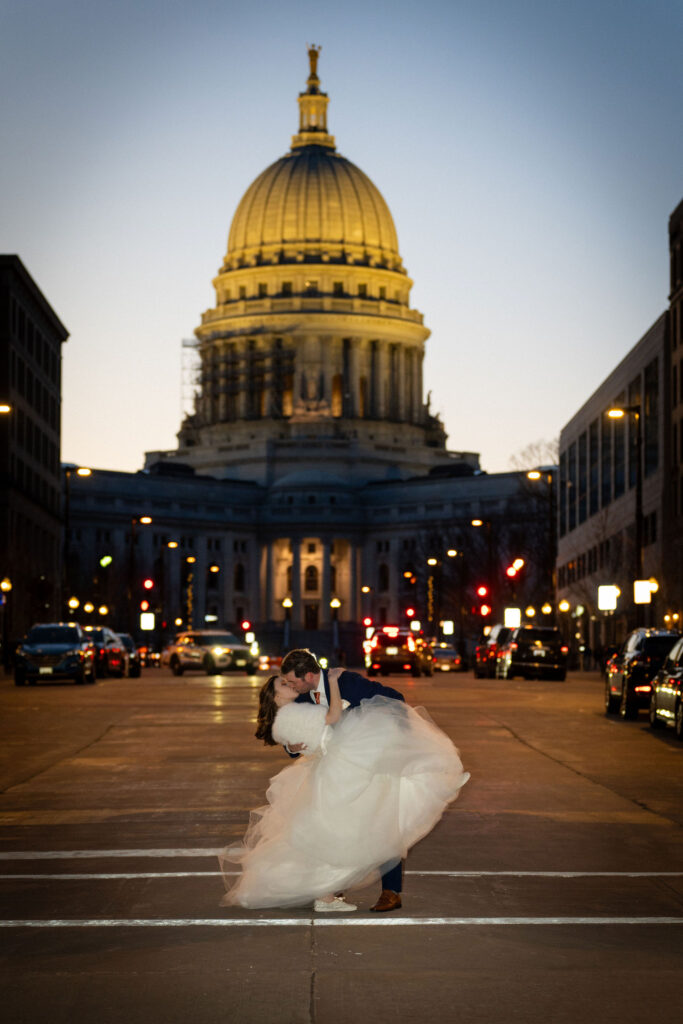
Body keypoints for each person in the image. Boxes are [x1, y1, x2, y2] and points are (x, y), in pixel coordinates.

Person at [219, 651, 469, 913]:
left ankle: (390, 891)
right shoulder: (302, 695)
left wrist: (398, 745)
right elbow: (298, 734)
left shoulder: (347, 681)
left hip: (375, 763)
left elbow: (395, 700)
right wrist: (294, 746)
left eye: (293, 681)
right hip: (337, 772)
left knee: (386, 822)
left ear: (310, 675)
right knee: (342, 828)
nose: (292, 686)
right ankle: (331, 884)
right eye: (287, 683)